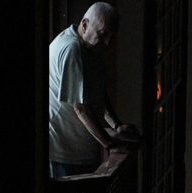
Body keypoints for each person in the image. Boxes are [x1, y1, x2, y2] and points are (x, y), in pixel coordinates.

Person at [47, 3, 134, 177]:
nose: (108, 43)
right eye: (103, 34)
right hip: (66, 156)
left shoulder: (89, 48)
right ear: (85, 25)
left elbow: (98, 92)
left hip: (79, 153)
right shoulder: (72, 48)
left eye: (111, 37)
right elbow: (81, 109)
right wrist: (109, 144)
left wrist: (116, 125)